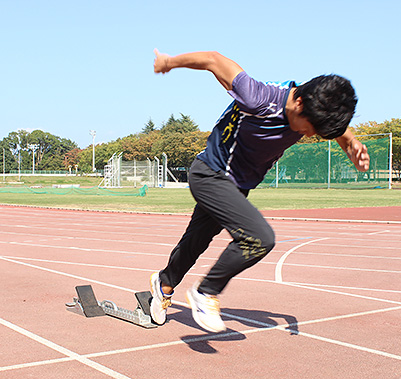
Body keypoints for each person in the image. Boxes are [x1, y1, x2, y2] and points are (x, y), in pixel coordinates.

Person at [149, 49, 370, 333]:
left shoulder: (312, 105)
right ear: (299, 102)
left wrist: (350, 144)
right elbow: (213, 60)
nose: (309, 135)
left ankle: (164, 283)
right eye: (310, 129)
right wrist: (168, 63)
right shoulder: (259, 98)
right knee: (259, 238)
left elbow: (334, 126)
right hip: (211, 173)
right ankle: (206, 293)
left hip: (238, 185)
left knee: (197, 240)